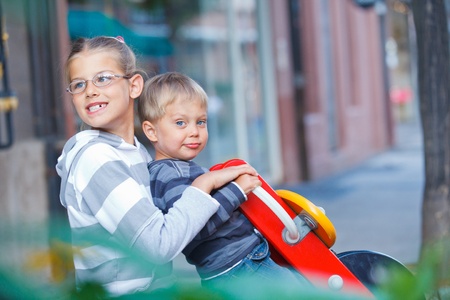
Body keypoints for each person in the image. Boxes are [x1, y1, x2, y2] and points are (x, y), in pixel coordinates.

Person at [55, 36, 261, 297]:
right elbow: (157, 245)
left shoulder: (135, 153)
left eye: (103, 78)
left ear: (134, 85)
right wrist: (205, 184)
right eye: (79, 84)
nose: (90, 90)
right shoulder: (96, 159)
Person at [137, 72, 305, 290]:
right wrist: (237, 190)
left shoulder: (178, 169)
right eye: (180, 123)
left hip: (237, 264)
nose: (194, 132)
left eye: (201, 122)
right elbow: (195, 225)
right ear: (152, 131)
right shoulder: (170, 174)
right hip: (238, 265)